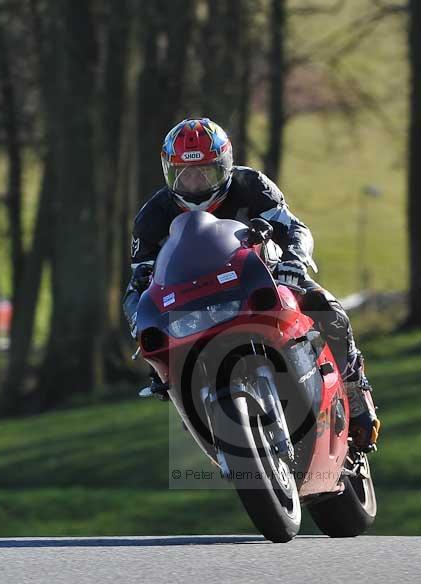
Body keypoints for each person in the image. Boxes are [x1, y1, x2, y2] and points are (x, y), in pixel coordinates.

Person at [123, 118, 380, 451]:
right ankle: (197, 413)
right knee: (162, 359)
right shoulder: (153, 215)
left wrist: (293, 262)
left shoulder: (252, 185)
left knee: (324, 305)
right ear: (169, 173)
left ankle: (354, 389)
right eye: (185, 174)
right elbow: (138, 282)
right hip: (192, 300)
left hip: (260, 278)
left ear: (225, 166)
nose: (196, 182)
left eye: (206, 172)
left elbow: (295, 229)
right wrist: (138, 321)